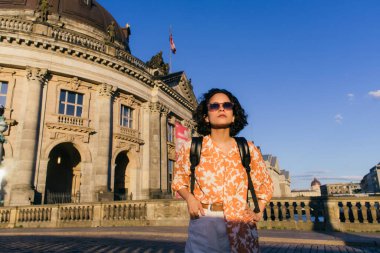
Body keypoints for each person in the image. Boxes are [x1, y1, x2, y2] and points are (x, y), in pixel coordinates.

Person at [172, 88, 273, 253]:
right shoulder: (192, 147)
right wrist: (190, 198)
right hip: (205, 222)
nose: (221, 108)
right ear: (206, 116)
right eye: (214, 106)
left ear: (233, 116)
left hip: (241, 225)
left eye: (227, 105)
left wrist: (259, 209)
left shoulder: (247, 149)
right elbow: (178, 181)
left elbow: (265, 185)